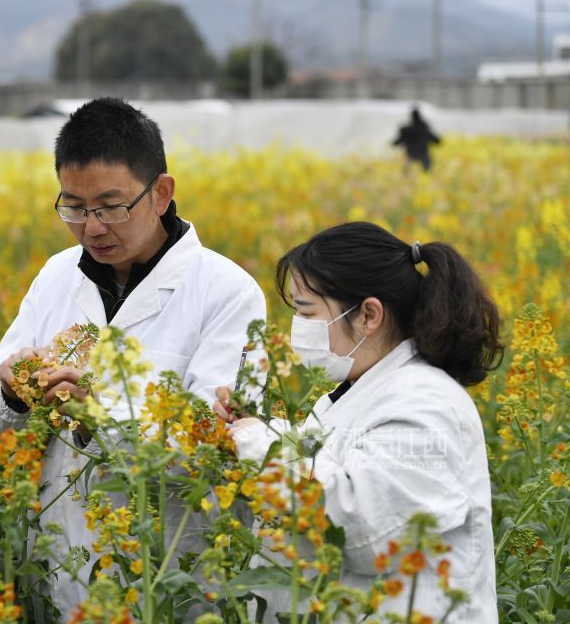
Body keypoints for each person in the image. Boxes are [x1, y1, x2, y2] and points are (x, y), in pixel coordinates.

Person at [0, 97, 268, 619]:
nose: (92, 227)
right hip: (58, 563)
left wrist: (102, 416)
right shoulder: (57, 275)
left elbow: (219, 444)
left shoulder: (228, 293)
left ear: (161, 192)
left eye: (110, 207)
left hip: (167, 575)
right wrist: (12, 393)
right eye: (74, 208)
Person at [214, 222, 502, 622]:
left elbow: (364, 530)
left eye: (307, 311)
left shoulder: (426, 406)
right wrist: (252, 427)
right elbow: (325, 463)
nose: (297, 328)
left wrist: (259, 445)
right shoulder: (356, 390)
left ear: (369, 314)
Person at [392, 106, 441, 171]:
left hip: (412, 154)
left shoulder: (407, 130)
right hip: (422, 154)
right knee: (427, 171)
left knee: (407, 171)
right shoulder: (423, 128)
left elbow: (397, 142)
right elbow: (436, 140)